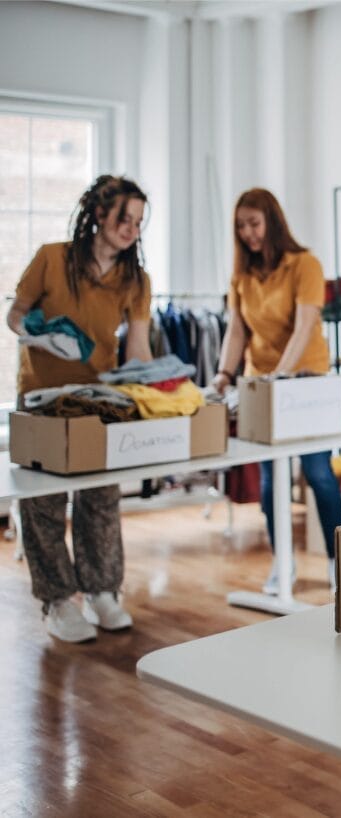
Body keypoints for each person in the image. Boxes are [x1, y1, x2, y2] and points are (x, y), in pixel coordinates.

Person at [6, 175, 154, 642]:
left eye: (138, 222)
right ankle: (57, 599)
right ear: (98, 215)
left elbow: (139, 348)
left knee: (101, 499)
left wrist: (154, 386)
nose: (131, 229)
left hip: (96, 399)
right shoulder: (51, 259)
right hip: (42, 398)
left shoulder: (135, 279)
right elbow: (14, 313)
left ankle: (102, 591)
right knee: (44, 501)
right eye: (123, 218)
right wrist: (35, 329)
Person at [212, 188, 341, 593]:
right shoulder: (242, 276)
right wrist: (222, 374)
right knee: (271, 477)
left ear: (272, 221)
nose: (248, 233)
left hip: (306, 380)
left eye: (254, 223)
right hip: (261, 382)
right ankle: (281, 560)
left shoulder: (305, 265)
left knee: (318, 472)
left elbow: (305, 327)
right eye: (240, 226)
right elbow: (237, 330)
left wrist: (281, 376)